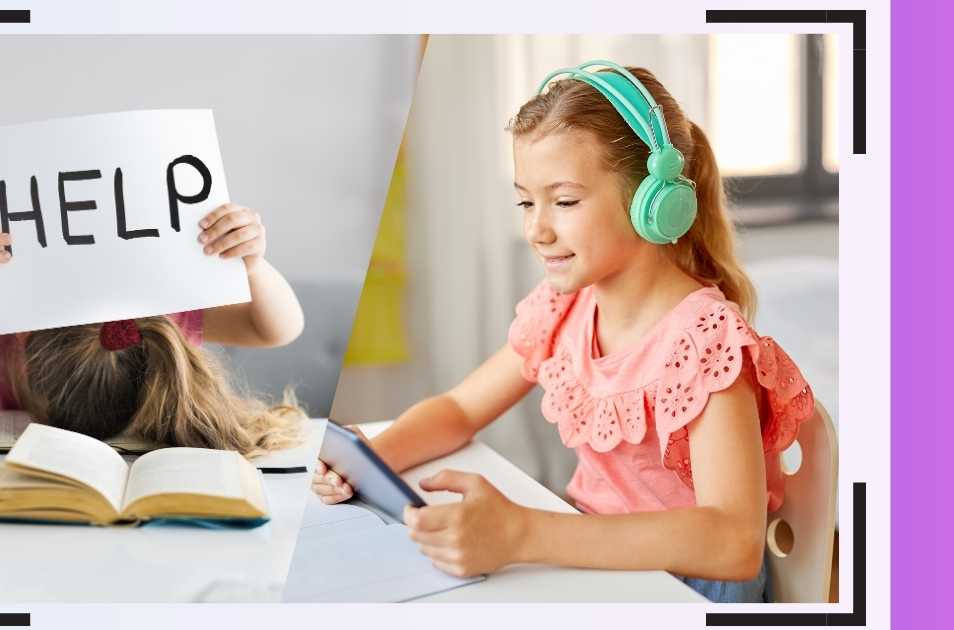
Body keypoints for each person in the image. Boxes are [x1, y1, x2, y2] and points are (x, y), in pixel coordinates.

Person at [312, 63, 814, 603]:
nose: (536, 229)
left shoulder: (704, 342)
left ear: (655, 201)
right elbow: (460, 409)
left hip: (685, 587)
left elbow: (733, 542)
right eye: (526, 200)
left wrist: (523, 532)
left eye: (565, 201)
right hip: (597, 561)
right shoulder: (565, 306)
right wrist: (372, 455)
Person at [0, 203, 306, 457]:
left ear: (23, 338)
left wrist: (252, 264)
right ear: (22, 338)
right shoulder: (13, 309)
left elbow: (276, 329)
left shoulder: (165, 307)